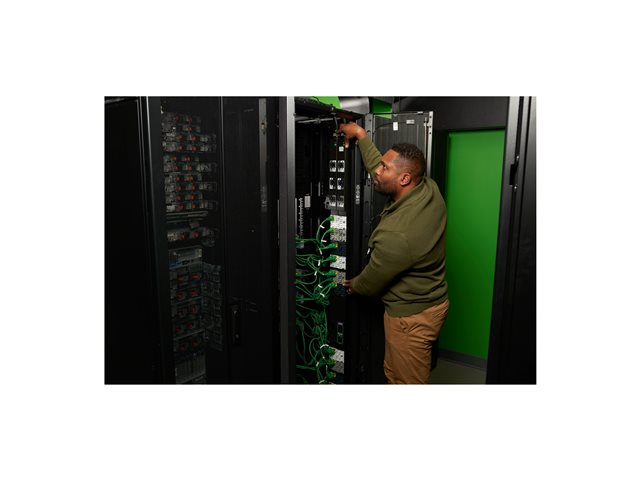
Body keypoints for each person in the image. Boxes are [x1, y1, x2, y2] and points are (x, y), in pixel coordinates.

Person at [338, 122, 448, 384]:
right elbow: (382, 170)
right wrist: (361, 135)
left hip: (411, 318)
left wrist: (353, 286)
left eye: (384, 168)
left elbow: (372, 281)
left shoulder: (399, 234)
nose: (377, 171)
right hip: (430, 302)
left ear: (405, 179)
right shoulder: (428, 188)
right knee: (395, 371)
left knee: (405, 382)